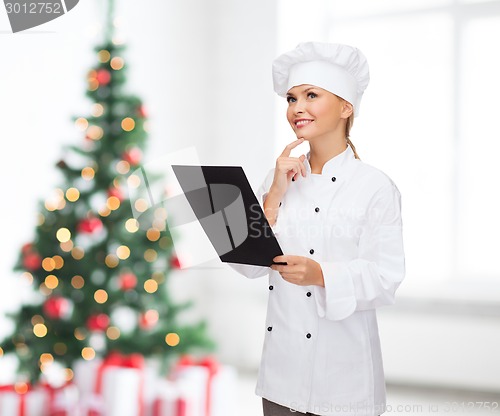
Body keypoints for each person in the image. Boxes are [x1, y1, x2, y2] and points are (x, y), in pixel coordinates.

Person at [229, 42, 405, 416]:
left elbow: (386, 276)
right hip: (281, 374)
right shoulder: (276, 177)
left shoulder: (374, 186)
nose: (297, 108)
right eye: (291, 99)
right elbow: (246, 266)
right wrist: (274, 195)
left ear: (346, 107)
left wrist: (321, 275)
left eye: (311, 95)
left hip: (343, 376)